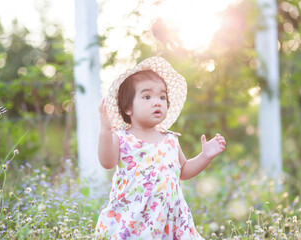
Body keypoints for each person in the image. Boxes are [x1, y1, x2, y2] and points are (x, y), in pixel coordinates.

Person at [95, 57, 226, 240]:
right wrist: (104, 130)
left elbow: (184, 170)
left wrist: (205, 156)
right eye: (147, 97)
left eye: (162, 97)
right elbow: (107, 162)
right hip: (135, 219)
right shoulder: (122, 138)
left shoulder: (170, 140)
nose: (157, 102)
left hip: (170, 219)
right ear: (128, 108)